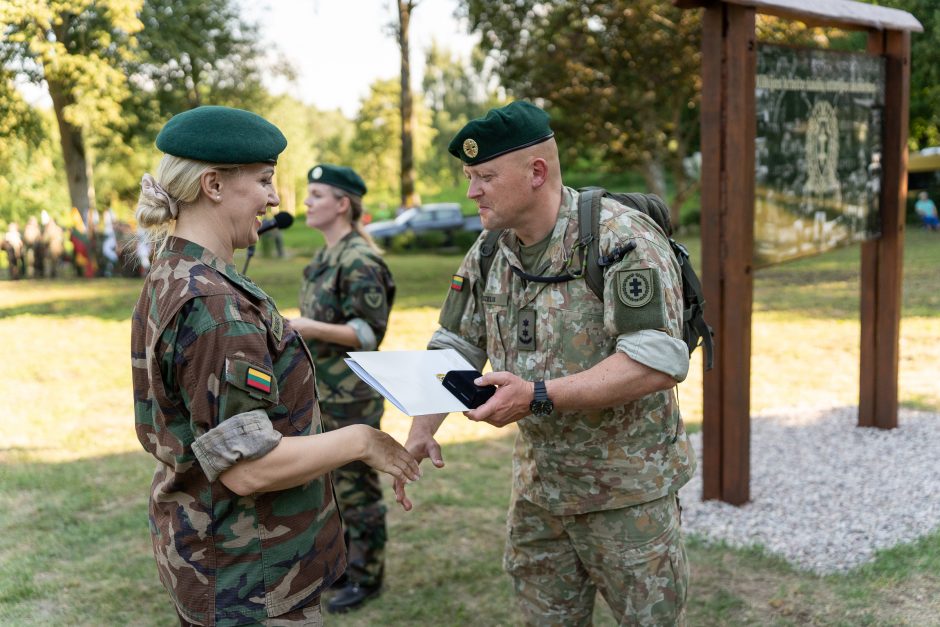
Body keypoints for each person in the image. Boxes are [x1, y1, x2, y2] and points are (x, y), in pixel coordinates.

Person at [395, 101, 696, 625]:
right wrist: (422, 428)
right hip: (541, 494)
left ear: (536, 172)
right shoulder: (491, 249)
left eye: (485, 176)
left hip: (628, 498)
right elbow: (456, 343)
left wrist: (536, 395)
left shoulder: (621, 239)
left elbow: (655, 362)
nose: (472, 191)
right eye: (469, 177)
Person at [131, 105, 419, 626]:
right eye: (264, 181)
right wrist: (361, 440)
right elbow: (249, 468)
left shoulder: (174, 271)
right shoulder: (213, 304)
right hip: (249, 574)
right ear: (214, 185)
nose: (275, 198)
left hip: (221, 558)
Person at [290, 164, 395, 614]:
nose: (308, 202)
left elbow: (369, 331)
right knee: (330, 484)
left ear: (342, 204)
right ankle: (342, 566)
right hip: (322, 392)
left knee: (355, 487)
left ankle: (367, 576)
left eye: (317, 194)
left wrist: (305, 326)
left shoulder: (359, 260)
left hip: (351, 394)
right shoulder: (325, 258)